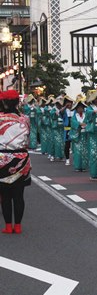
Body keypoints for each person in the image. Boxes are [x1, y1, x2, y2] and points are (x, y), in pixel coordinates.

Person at [0, 90, 32, 234]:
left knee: (5, 195)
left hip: (2, 159)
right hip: (21, 159)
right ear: (17, 103)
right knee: (19, 195)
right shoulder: (25, 119)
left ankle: (8, 226)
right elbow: (28, 139)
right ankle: (18, 226)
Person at [69, 98, 89, 172]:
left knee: (85, 151)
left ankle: (84, 166)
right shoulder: (74, 116)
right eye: (79, 108)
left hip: (84, 135)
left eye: (82, 108)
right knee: (77, 151)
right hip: (77, 135)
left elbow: (88, 122)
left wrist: (86, 125)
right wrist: (80, 124)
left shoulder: (86, 115)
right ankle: (77, 166)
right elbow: (73, 123)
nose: (80, 109)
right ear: (76, 109)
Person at [49, 97, 65, 162]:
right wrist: (56, 113)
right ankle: (52, 155)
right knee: (54, 142)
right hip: (55, 128)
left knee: (61, 142)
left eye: (60, 104)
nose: (59, 105)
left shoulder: (62, 109)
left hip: (61, 127)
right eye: (58, 104)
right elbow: (52, 115)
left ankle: (61, 155)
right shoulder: (53, 110)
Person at [62, 95, 75, 166]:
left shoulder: (75, 110)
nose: (69, 104)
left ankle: (76, 159)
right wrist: (65, 107)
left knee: (76, 145)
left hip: (74, 130)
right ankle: (67, 159)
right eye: (67, 102)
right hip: (67, 130)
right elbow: (60, 112)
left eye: (70, 102)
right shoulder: (64, 111)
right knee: (67, 145)